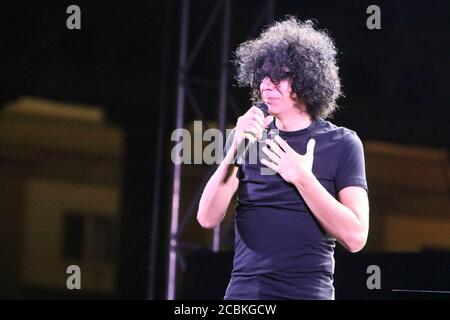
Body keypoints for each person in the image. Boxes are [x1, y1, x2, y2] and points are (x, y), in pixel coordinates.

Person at [197, 17, 369, 300]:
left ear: (306, 80)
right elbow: (207, 217)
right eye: (262, 76)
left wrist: (302, 177)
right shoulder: (248, 137)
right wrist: (235, 148)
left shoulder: (342, 143)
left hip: (309, 294)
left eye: (278, 76)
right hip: (246, 295)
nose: (266, 85)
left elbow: (355, 237)